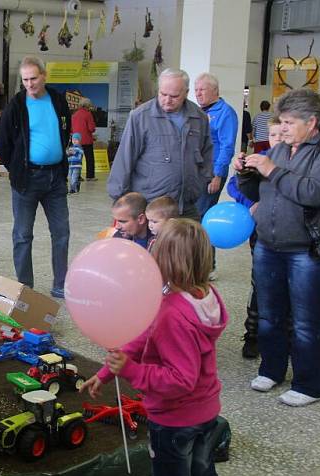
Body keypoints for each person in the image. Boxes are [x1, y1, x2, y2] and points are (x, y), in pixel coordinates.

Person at [81, 218, 235, 476]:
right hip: (206, 413)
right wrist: (107, 372)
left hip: (175, 423)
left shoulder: (172, 314)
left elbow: (180, 379)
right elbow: (143, 336)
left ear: (164, 262)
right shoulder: (205, 296)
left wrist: (131, 370)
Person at [235, 88, 320, 406]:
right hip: (269, 245)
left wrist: (272, 169)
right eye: (280, 122)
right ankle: (272, 368)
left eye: (288, 122)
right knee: (270, 315)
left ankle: (309, 385)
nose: (281, 129)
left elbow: (316, 192)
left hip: (307, 250)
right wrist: (246, 173)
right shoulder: (283, 150)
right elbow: (262, 192)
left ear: (311, 122)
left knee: (306, 319)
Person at [0, 56, 72, 299]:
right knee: (22, 235)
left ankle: (60, 283)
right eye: (25, 80)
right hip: (27, 180)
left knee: (61, 232)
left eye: (33, 78)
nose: (29, 84)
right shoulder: (16, 105)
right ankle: (25, 286)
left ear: (44, 76)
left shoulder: (59, 101)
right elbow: (4, 144)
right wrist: (18, 169)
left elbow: (65, 130)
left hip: (55, 180)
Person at [108, 68, 213, 220]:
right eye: (163, 94)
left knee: (191, 243)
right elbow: (124, 159)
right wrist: (119, 200)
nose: (167, 100)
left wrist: (199, 186)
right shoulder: (140, 117)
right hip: (150, 207)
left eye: (174, 96)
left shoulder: (199, 118)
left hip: (186, 206)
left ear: (186, 92)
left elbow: (207, 155)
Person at [227, 118, 283, 359]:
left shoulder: (296, 162)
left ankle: (285, 339)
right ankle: (252, 335)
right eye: (273, 135)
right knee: (259, 284)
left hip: (290, 233)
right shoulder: (261, 158)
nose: (278, 140)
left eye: (282, 134)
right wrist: (251, 202)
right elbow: (234, 185)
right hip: (262, 233)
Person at [194, 72, 238, 279]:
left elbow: (227, 146)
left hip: (210, 173)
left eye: (202, 89)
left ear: (215, 91)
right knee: (193, 217)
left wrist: (217, 175)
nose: (198, 93)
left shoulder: (225, 113)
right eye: (196, 89)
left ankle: (208, 266)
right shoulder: (198, 111)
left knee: (204, 218)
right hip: (194, 171)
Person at [71, 97, 97, 181]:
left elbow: (71, 128)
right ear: (88, 105)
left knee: (77, 160)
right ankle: (90, 176)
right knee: (89, 159)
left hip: (76, 140)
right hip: (86, 140)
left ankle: (77, 176)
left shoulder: (74, 114)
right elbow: (91, 128)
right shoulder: (88, 114)